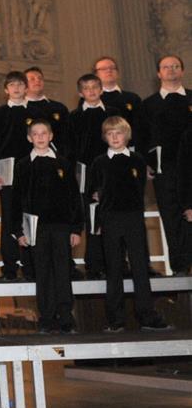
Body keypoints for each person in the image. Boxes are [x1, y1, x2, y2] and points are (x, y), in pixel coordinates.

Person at [88, 117, 172, 333]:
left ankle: (147, 316)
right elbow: (94, 196)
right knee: (114, 269)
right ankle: (115, 319)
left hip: (134, 218)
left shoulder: (137, 160)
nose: (115, 137)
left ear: (127, 135)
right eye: (110, 133)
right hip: (110, 220)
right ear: (105, 136)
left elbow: (139, 190)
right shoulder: (99, 162)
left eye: (119, 133)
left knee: (140, 267)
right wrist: (98, 223)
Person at [11, 120, 83, 333]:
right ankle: (46, 317)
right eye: (35, 134)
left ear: (51, 136)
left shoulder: (63, 164)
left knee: (62, 270)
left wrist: (76, 229)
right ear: (29, 138)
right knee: (42, 272)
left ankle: (65, 315)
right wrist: (18, 231)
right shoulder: (23, 165)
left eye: (44, 133)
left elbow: (73, 198)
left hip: (61, 226)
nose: (40, 137)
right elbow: (16, 200)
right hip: (35, 228)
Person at [138, 55, 191, 274]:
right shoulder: (148, 104)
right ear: (158, 73)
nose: (171, 70)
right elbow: (141, 137)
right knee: (171, 217)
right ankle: (180, 267)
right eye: (166, 67)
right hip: (165, 169)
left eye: (175, 66)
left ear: (183, 71)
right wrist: (146, 164)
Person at [70, 74, 122, 279]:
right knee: (90, 217)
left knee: (113, 217)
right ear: (80, 93)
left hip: (111, 170)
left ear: (101, 89)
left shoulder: (113, 113)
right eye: (86, 88)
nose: (91, 91)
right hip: (84, 172)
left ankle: (117, 262)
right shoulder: (74, 117)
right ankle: (94, 263)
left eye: (94, 87)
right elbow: (71, 149)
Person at [0, 71, 35, 280]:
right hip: (6, 170)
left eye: (20, 84)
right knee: (9, 218)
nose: (16, 88)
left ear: (26, 88)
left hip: (31, 170)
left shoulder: (35, 111)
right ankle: (9, 267)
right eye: (12, 85)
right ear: (6, 89)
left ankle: (31, 264)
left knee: (30, 215)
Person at [25, 66, 71, 158]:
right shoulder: (19, 110)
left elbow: (68, 137)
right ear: (24, 84)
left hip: (56, 159)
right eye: (32, 79)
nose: (37, 81)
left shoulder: (59, 108)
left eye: (40, 78)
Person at [92, 56, 141, 131]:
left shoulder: (133, 98)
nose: (109, 70)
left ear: (117, 73)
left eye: (112, 68)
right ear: (95, 75)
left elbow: (140, 126)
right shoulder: (91, 99)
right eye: (103, 69)